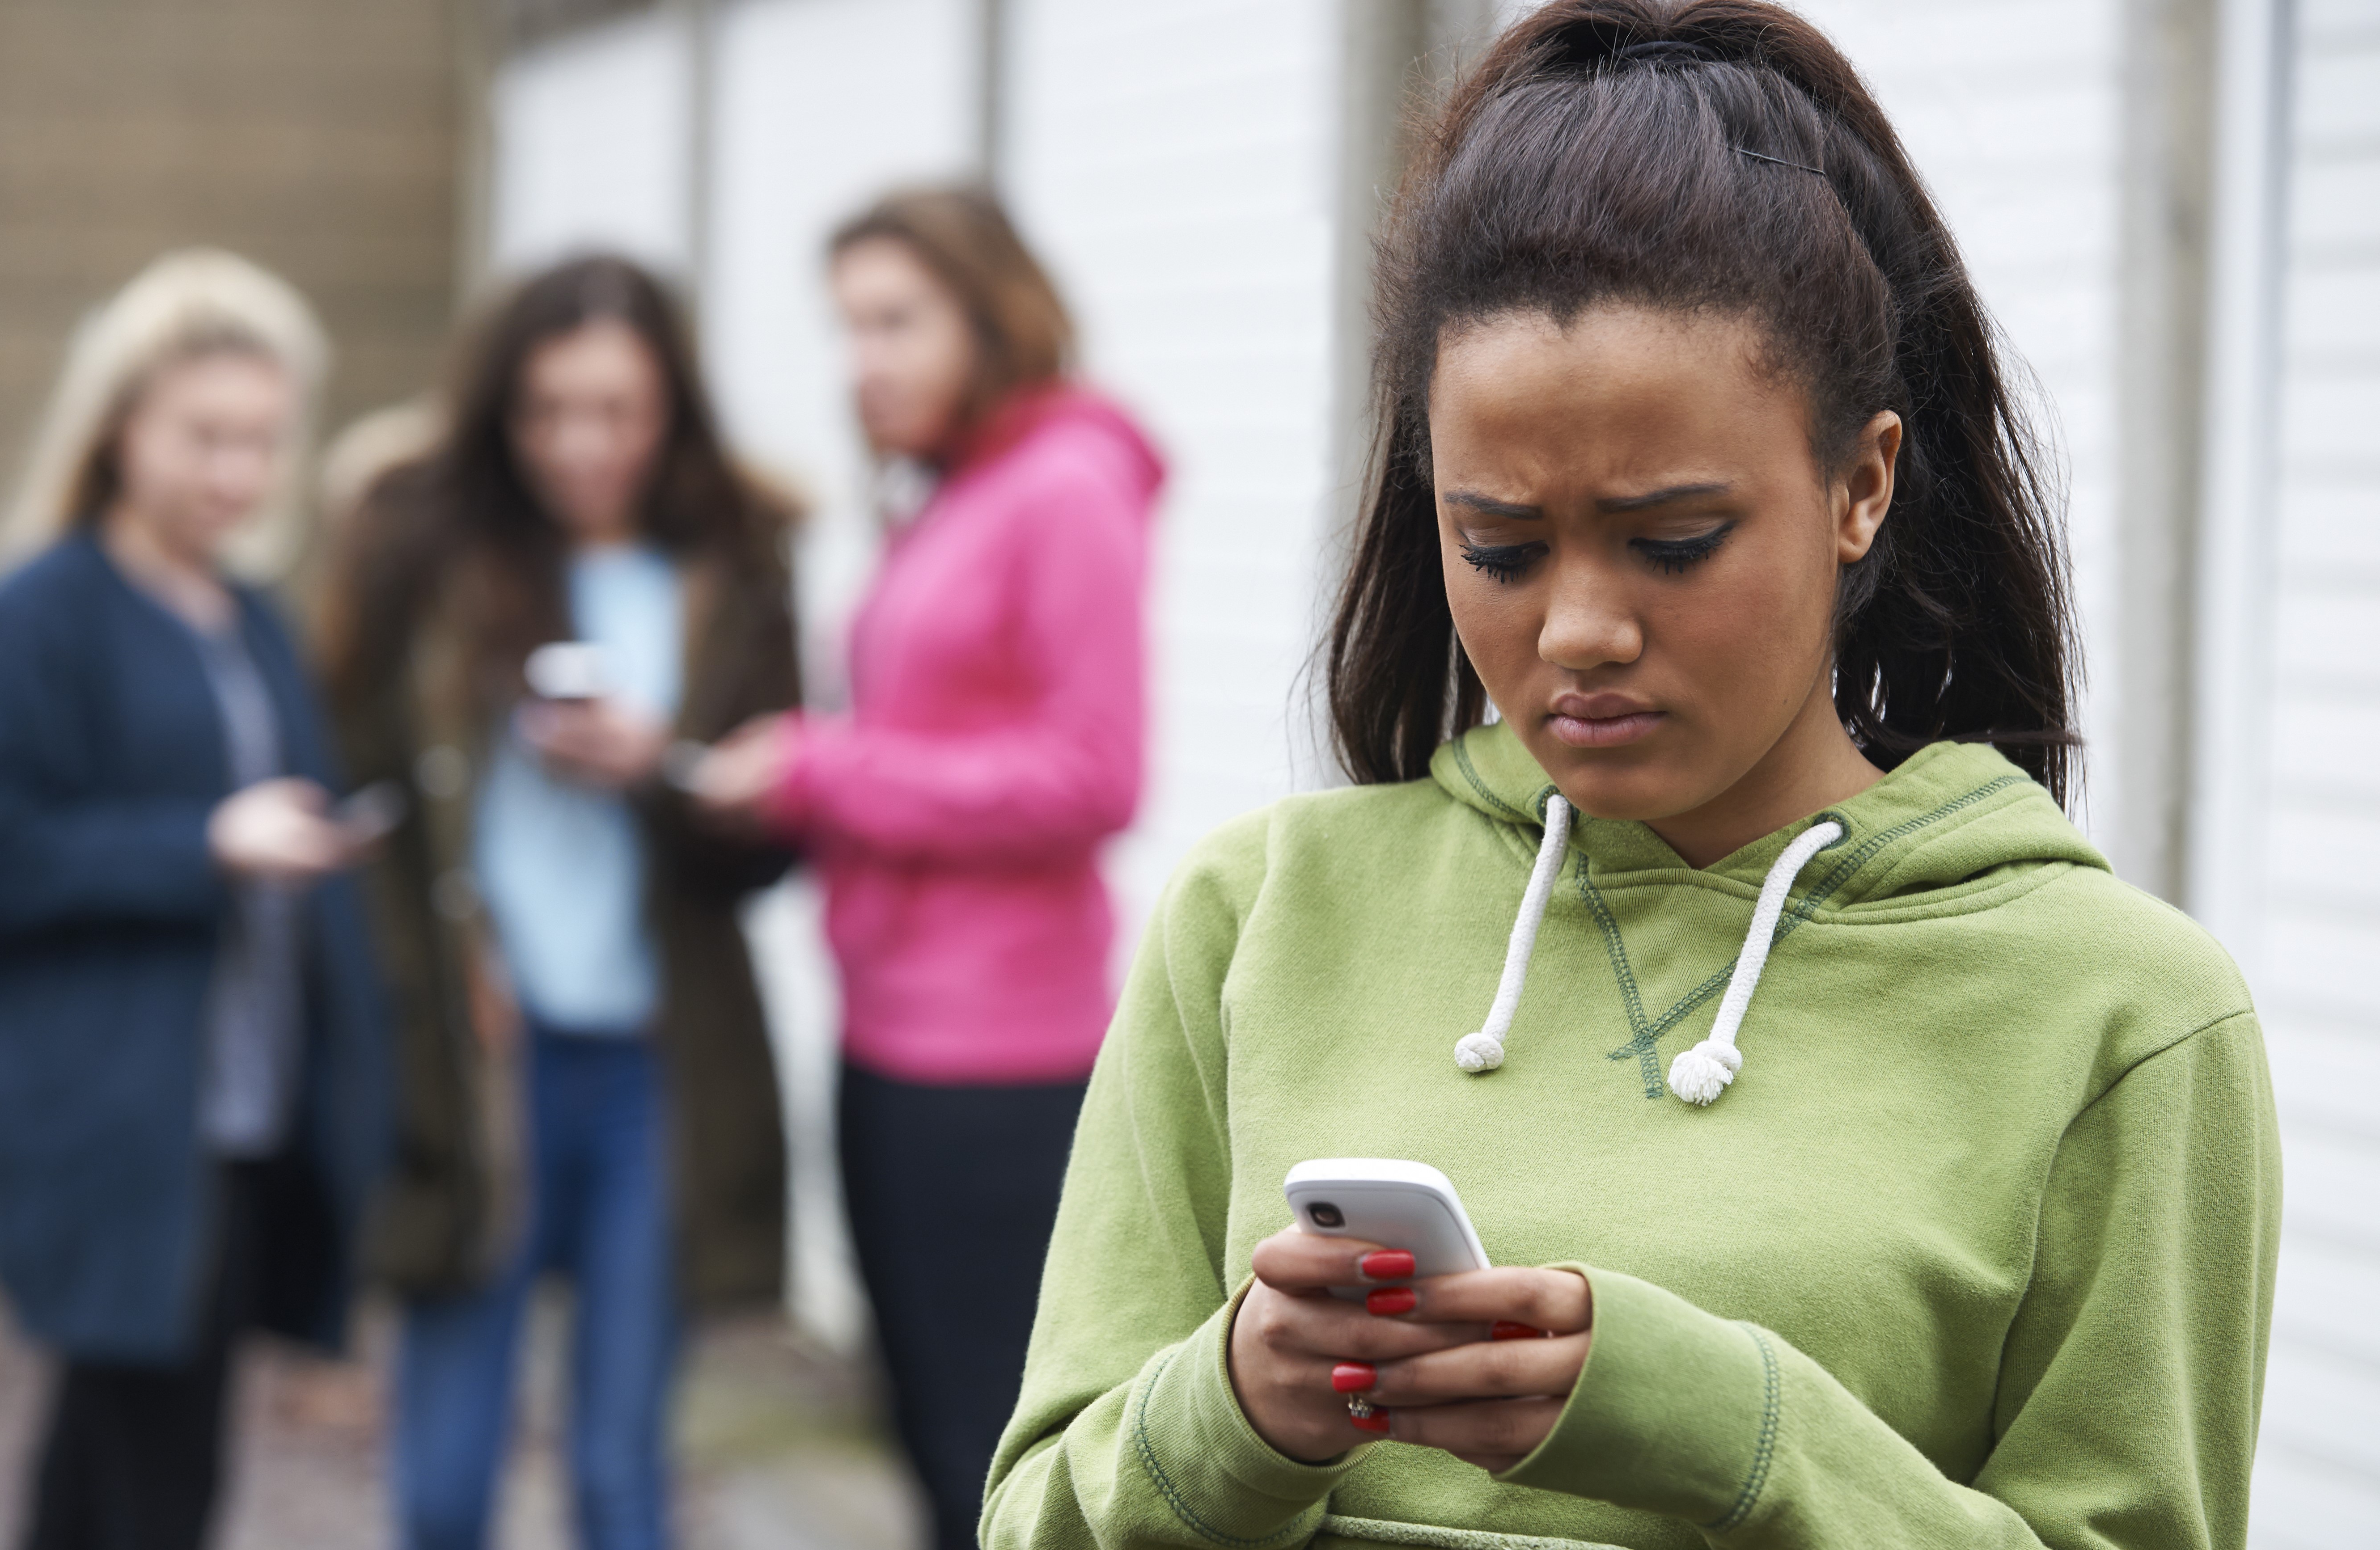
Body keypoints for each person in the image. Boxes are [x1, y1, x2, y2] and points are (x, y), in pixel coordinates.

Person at [980, 6, 2280, 1549]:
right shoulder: (1257, 916)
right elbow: (1034, 1516)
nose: (1579, 630)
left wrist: (1736, 1435)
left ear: (1859, 483)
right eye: (1501, 546)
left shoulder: (2119, 1018)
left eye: (1672, 540)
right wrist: (1239, 1408)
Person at [686, 187, 1163, 1550]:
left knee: (990, 1458)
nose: (865, 361)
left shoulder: (1064, 487)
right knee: (919, 1435)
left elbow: (1093, 771)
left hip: (999, 1066)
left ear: (989, 310)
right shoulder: (954, 486)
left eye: (897, 320)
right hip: (889, 1033)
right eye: (847, 329)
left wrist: (827, 769)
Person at [321, 254, 799, 1550]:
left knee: (619, 1472)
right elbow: (353, 793)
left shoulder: (737, 564)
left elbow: (768, 847)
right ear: (499, 410)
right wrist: (431, 974)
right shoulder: (421, 549)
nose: (581, 443)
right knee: (441, 1481)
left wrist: (665, 768)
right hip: (483, 1057)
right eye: (546, 410)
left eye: (617, 409)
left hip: (657, 1061)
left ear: (670, 409)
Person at [0, 249, 390, 1550]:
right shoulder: (37, 613)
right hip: (122, 1126)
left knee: (112, 1450)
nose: (236, 475)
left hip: (244, 1109)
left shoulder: (247, 612)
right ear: (120, 422)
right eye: (205, 437)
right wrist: (203, 842)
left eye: (261, 442)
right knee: (156, 1468)